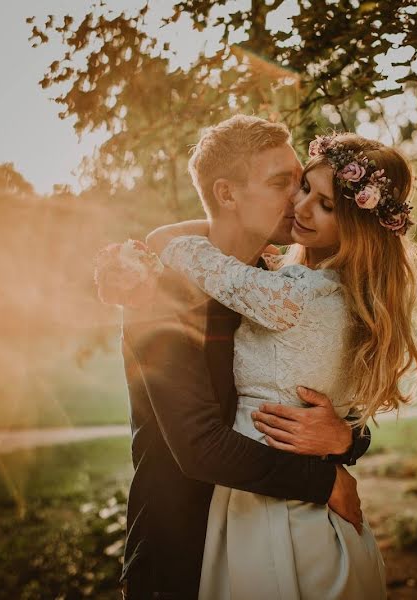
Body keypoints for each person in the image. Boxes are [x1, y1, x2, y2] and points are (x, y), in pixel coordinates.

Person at [148, 131, 417, 599]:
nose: (299, 207)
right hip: (242, 499)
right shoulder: (321, 287)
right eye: (301, 188)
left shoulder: (290, 292)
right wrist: (338, 455)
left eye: (324, 204)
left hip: (273, 500)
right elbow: (198, 444)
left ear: (356, 225)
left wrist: (167, 238)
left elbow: (207, 264)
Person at [113, 116, 373, 599]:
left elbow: (313, 394)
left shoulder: (274, 285)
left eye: (300, 183)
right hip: (181, 551)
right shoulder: (161, 294)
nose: (298, 200)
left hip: (268, 538)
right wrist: (325, 480)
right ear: (227, 194)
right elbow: (198, 445)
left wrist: (347, 440)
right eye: (282, 184)